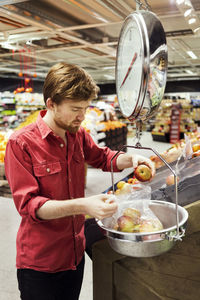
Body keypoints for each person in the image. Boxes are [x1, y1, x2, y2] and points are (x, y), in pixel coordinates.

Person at [4, 62, 155, 300]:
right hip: (41, 263)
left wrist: (133, 159)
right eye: (75, 108)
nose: (82, 116)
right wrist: (83, 205)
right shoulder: (21, 144)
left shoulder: (78, 135)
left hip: (74, 256)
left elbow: (103, 157)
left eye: (85, 108)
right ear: (51, 104)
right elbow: (30, 206)